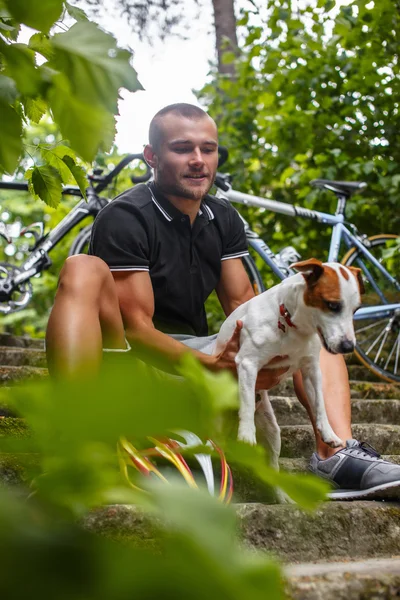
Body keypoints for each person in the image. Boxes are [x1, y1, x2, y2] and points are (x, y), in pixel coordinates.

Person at [45, 103, 400, 500]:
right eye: (182, 148)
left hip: (204, 358)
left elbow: (245, 305)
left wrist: (264, 352)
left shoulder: (222, 216)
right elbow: (137, 330)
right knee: (81, 267)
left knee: (315, 319)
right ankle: (77, 442)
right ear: (152, 157)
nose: (198, 160)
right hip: (142, 364)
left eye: (208, 149)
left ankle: (334, 452)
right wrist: (214, 366)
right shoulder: (125, 216)